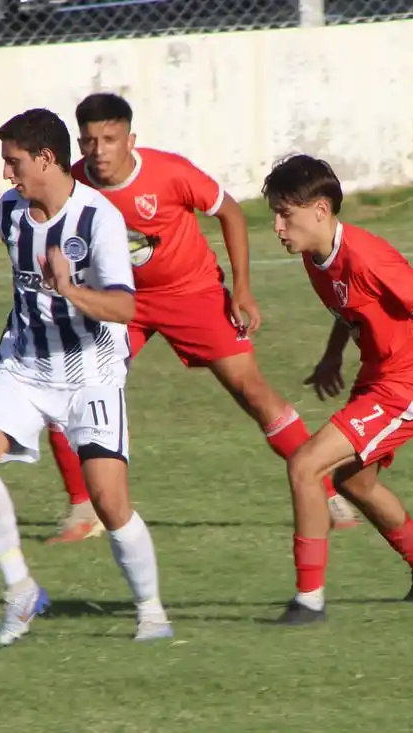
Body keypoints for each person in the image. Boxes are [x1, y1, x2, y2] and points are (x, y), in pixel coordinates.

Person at [41, 92, 360, 544]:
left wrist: (242, 289)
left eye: (110, 139)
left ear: (130, 140)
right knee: (67, 388)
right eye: (90, 141)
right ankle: (83, 509)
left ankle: (327, 493)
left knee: (252, 392)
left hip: (192, 295)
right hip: (120, 303)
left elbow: (229, 212)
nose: (99, 151)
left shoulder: (169, 173)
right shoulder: (73, 185)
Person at [0, 107, 173, 646]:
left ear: (46, 159)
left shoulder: (99, 219)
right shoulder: (10, 211)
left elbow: (124, 308)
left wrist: (70, 288)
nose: (7, 174)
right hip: (26, 365)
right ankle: (20, 591)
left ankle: (151, 612)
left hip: (91, 373)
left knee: (109, 501)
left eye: (14, 162)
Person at [261, 154, 413, 625]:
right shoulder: (316, 256)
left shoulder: (368, 256)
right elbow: (350, 308)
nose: (276, 226)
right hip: (379, 376)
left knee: (306, 465)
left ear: (320, 210)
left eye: (284, 214)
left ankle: (308, 601)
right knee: (354, 481)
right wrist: (334, 354)